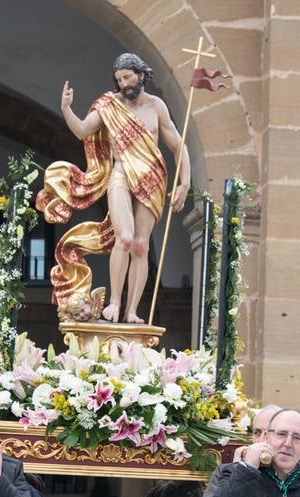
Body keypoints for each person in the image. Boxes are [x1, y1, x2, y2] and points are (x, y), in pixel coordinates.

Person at [37, 52, 190, 324]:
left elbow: (178, 145)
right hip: (120, 174)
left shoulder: (157, 107)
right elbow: (84, 131)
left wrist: (185, 183)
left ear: (141, 75)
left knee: (141, 246)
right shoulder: (109, 105)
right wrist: (66, 109)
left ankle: (132, 310)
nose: (123, 84)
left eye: (127, 77)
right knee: (126, 238)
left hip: (152, 177)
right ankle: (115, 302)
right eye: (119, 79)